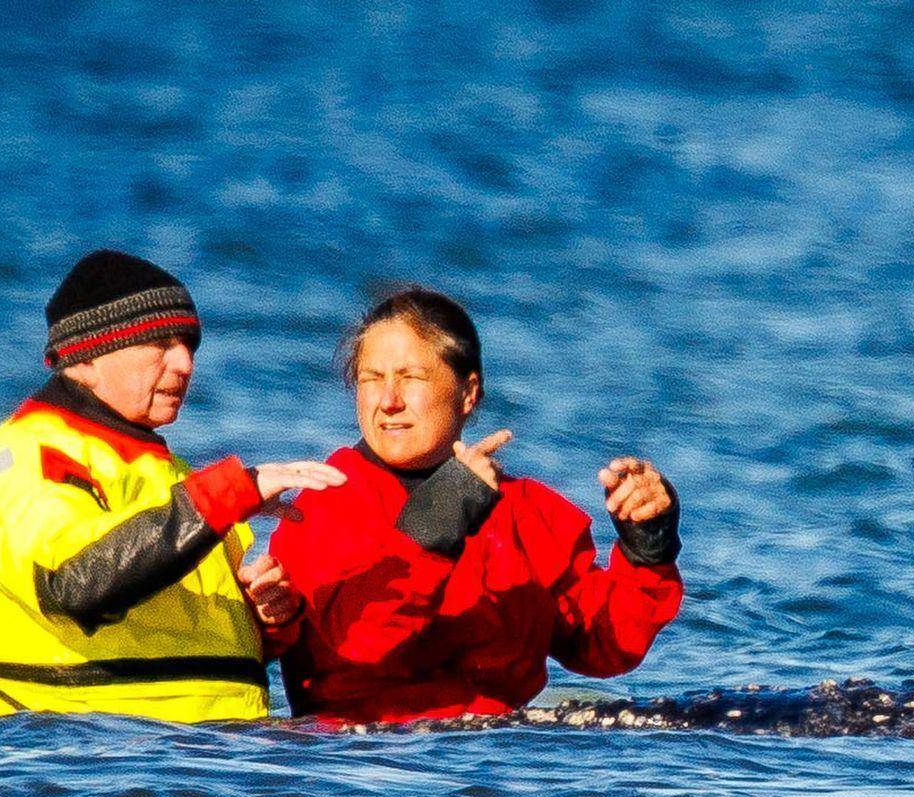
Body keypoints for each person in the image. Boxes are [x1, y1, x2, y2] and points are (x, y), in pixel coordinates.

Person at [0, 250, 345, 722]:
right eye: (160, 342)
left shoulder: (174, 477)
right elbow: (79, 584)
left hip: (207, 759)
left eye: (188, 344)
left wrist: (266, 621)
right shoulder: (22, 460)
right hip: (74, 759)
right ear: (84, 358)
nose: (185, 363)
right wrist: (229, 494)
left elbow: (184, 649)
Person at [263, 287, 683, 723]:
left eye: (411, 377)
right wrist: (440, 523)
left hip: (499, 764)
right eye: (372, 379)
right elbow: (359, 643)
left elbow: (604, 647)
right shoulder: (322, 505)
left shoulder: (526, 510)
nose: (388, 401)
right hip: (368, 765)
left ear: (468, 393)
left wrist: (647, 547)